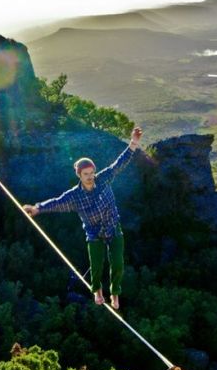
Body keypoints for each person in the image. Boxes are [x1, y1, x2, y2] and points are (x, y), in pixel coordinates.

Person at [23, 127, 143, 310]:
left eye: (91, 173)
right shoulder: (74, 196)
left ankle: (115, 294)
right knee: (96, 263)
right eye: (85, 174)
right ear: (79, 175)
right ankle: (97, 292)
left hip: (113, 226)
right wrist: (37, 208)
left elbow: (119, 164)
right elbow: (56, 202)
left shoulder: (103, 179)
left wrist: (133, 143)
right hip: (94, 232)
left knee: (117, 261)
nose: (90, 177)